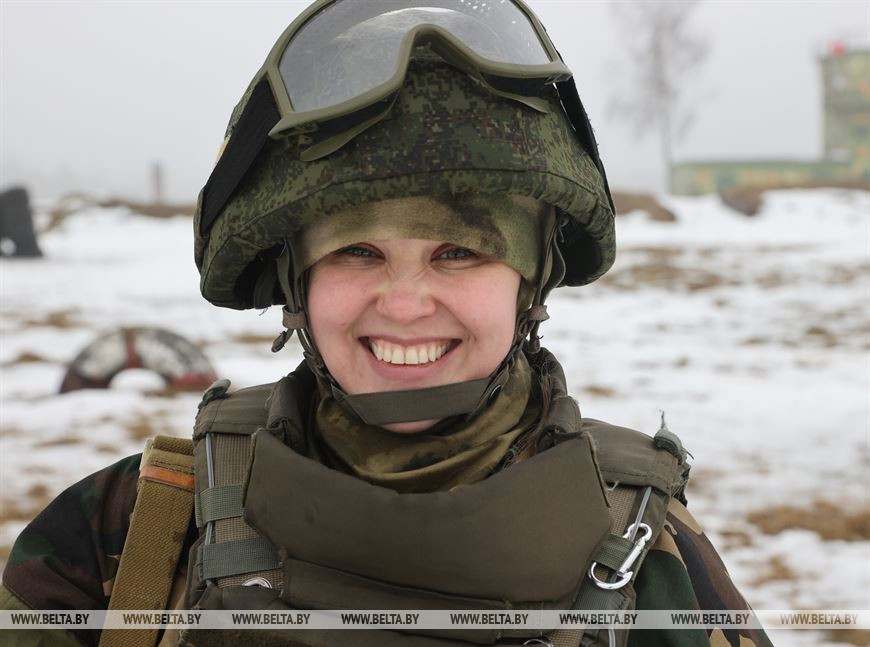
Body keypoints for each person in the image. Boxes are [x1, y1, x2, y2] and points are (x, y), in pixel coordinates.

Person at [1, 2, 773, 646]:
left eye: (460, 252)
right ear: (296, 281)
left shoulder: (656, 559)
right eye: (357, 251)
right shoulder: (136, 534)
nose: (405, 304)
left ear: (529, 281)